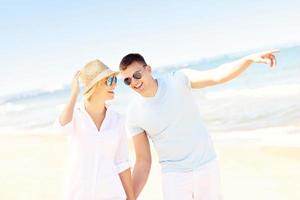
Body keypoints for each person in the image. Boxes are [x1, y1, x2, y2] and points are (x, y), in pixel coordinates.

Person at [119, 50, 279, 200]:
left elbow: (217, 76)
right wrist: (130, 197)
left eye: (137, 74)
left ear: (148, 69)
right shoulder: (133, 113)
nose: (134, 82)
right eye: (127, 80)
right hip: (174, 175)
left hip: (206, 166)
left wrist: (248, 59)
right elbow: (143, 161)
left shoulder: (178, 79)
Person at [57, 59, 135, 200]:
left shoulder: (117, 120)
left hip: (112, 195)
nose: (115, 85)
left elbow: (122, 163)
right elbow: (62, 128)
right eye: (110, 81)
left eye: (115, 80)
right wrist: (74, 94)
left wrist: (131, 198)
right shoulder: (75, 116)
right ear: (95, 86)